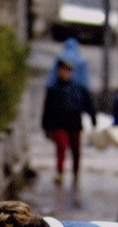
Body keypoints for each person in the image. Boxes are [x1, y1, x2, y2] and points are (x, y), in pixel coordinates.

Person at [42, 58, 97, 186]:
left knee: (76, 149)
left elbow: (88, 103)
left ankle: (75, 173)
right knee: (61, 146)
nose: (64, 74)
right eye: (62, 71)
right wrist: (46, 125)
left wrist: (93, 118)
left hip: (74, 122)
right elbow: (47, 108)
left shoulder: (78, 88)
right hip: (59, 122)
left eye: (67, 71)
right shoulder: (53, 89)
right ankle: (60, 172)